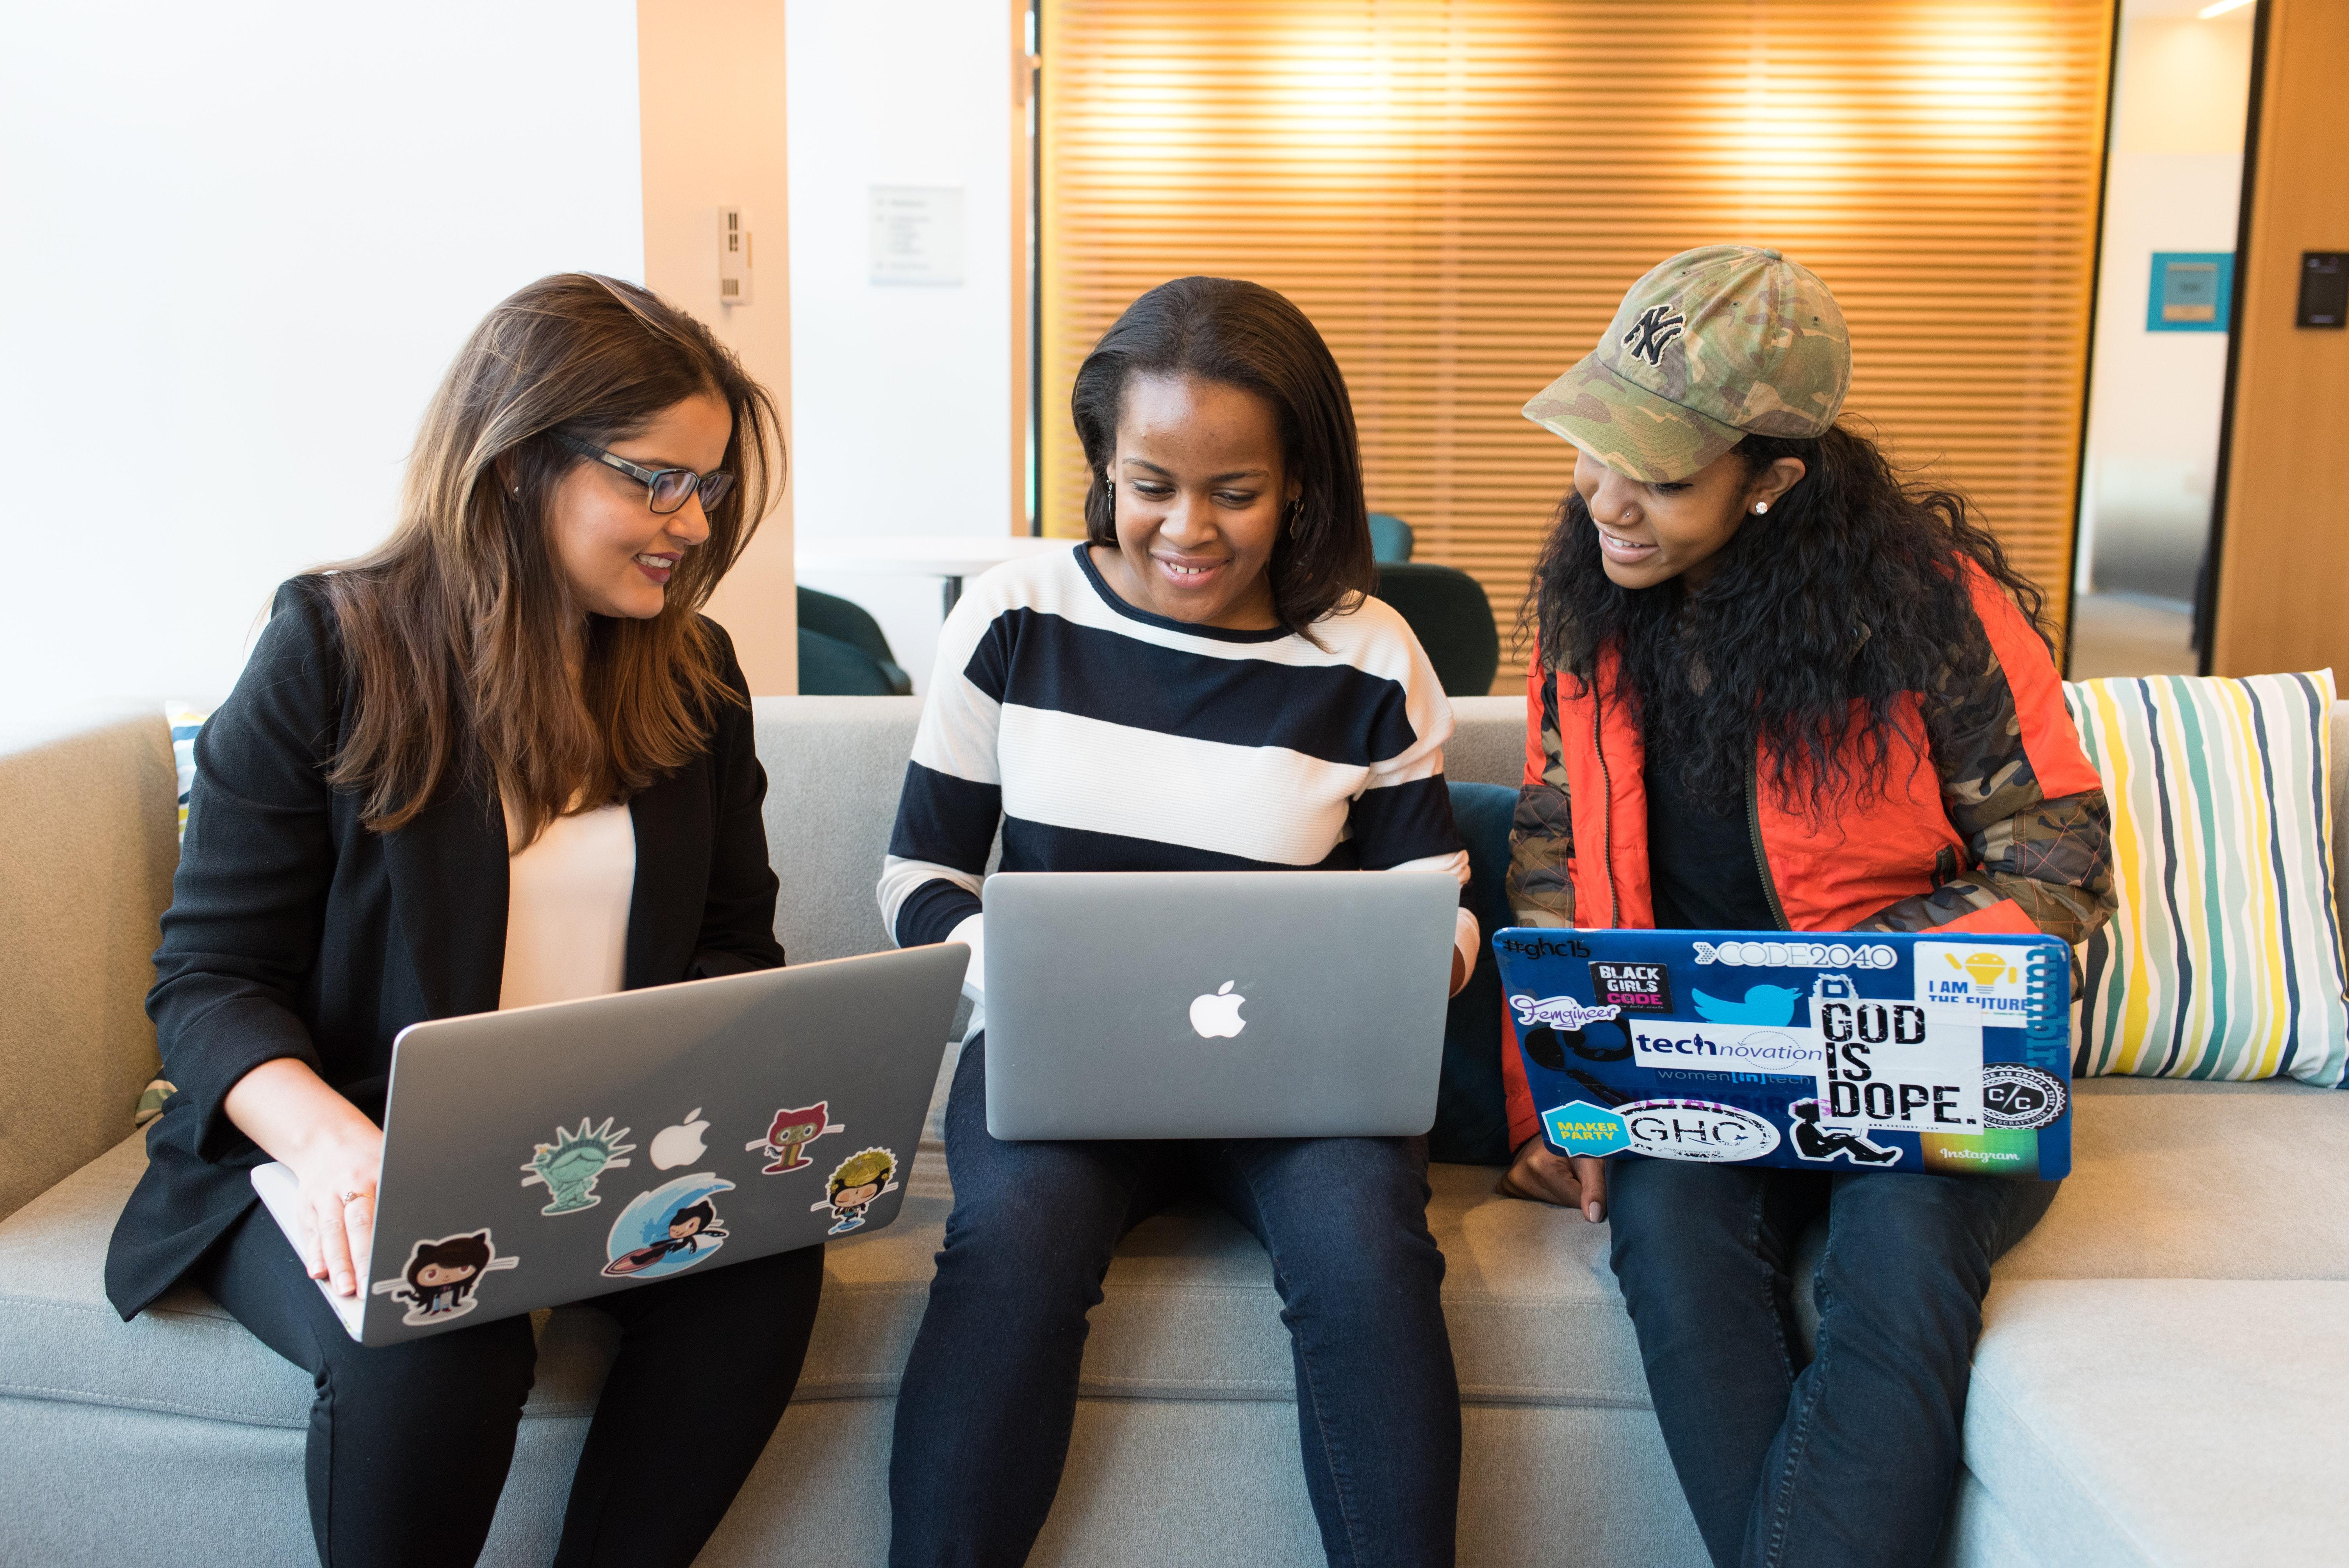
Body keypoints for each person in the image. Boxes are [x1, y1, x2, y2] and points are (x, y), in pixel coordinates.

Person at [103, 273, 822, 1568]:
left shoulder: (695, 672)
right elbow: (208, 981)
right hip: (337, 1156)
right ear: (515, 462)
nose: (691, 521)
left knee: (761, 1281)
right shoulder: (331, 646)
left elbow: (733, 950)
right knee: (448, 1325)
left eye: (709, 486)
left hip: (598, 1155)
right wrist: (335, 1150)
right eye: (656, 479)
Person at [1497, 246, 2114, 1568]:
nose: (1606, 498)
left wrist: (1842, 983)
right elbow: (1552, 851)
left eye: (1658, 476)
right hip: (1701, 1065)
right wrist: (1567, 1100)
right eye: (1596, 448)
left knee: (1898, 1256)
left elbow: (2056, 858)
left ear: (1774, 480)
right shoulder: (1586, 613)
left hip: (1932, 1059)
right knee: (1666, 1239)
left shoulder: (1936, 613)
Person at [880, 276, 1476, 1568]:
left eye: (1236, 493)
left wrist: (1424, 956)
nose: (1187, 530)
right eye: (1151, 483)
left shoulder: (1368, 657)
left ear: (1303, 480)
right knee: (1011, 1246)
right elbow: (919, 876)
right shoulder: (1017, 614)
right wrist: (1017, 973)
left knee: (1369, 1257)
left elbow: (1435, 894)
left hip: (1303, 1079)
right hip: (1060, 1065)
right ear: (1103, 466)